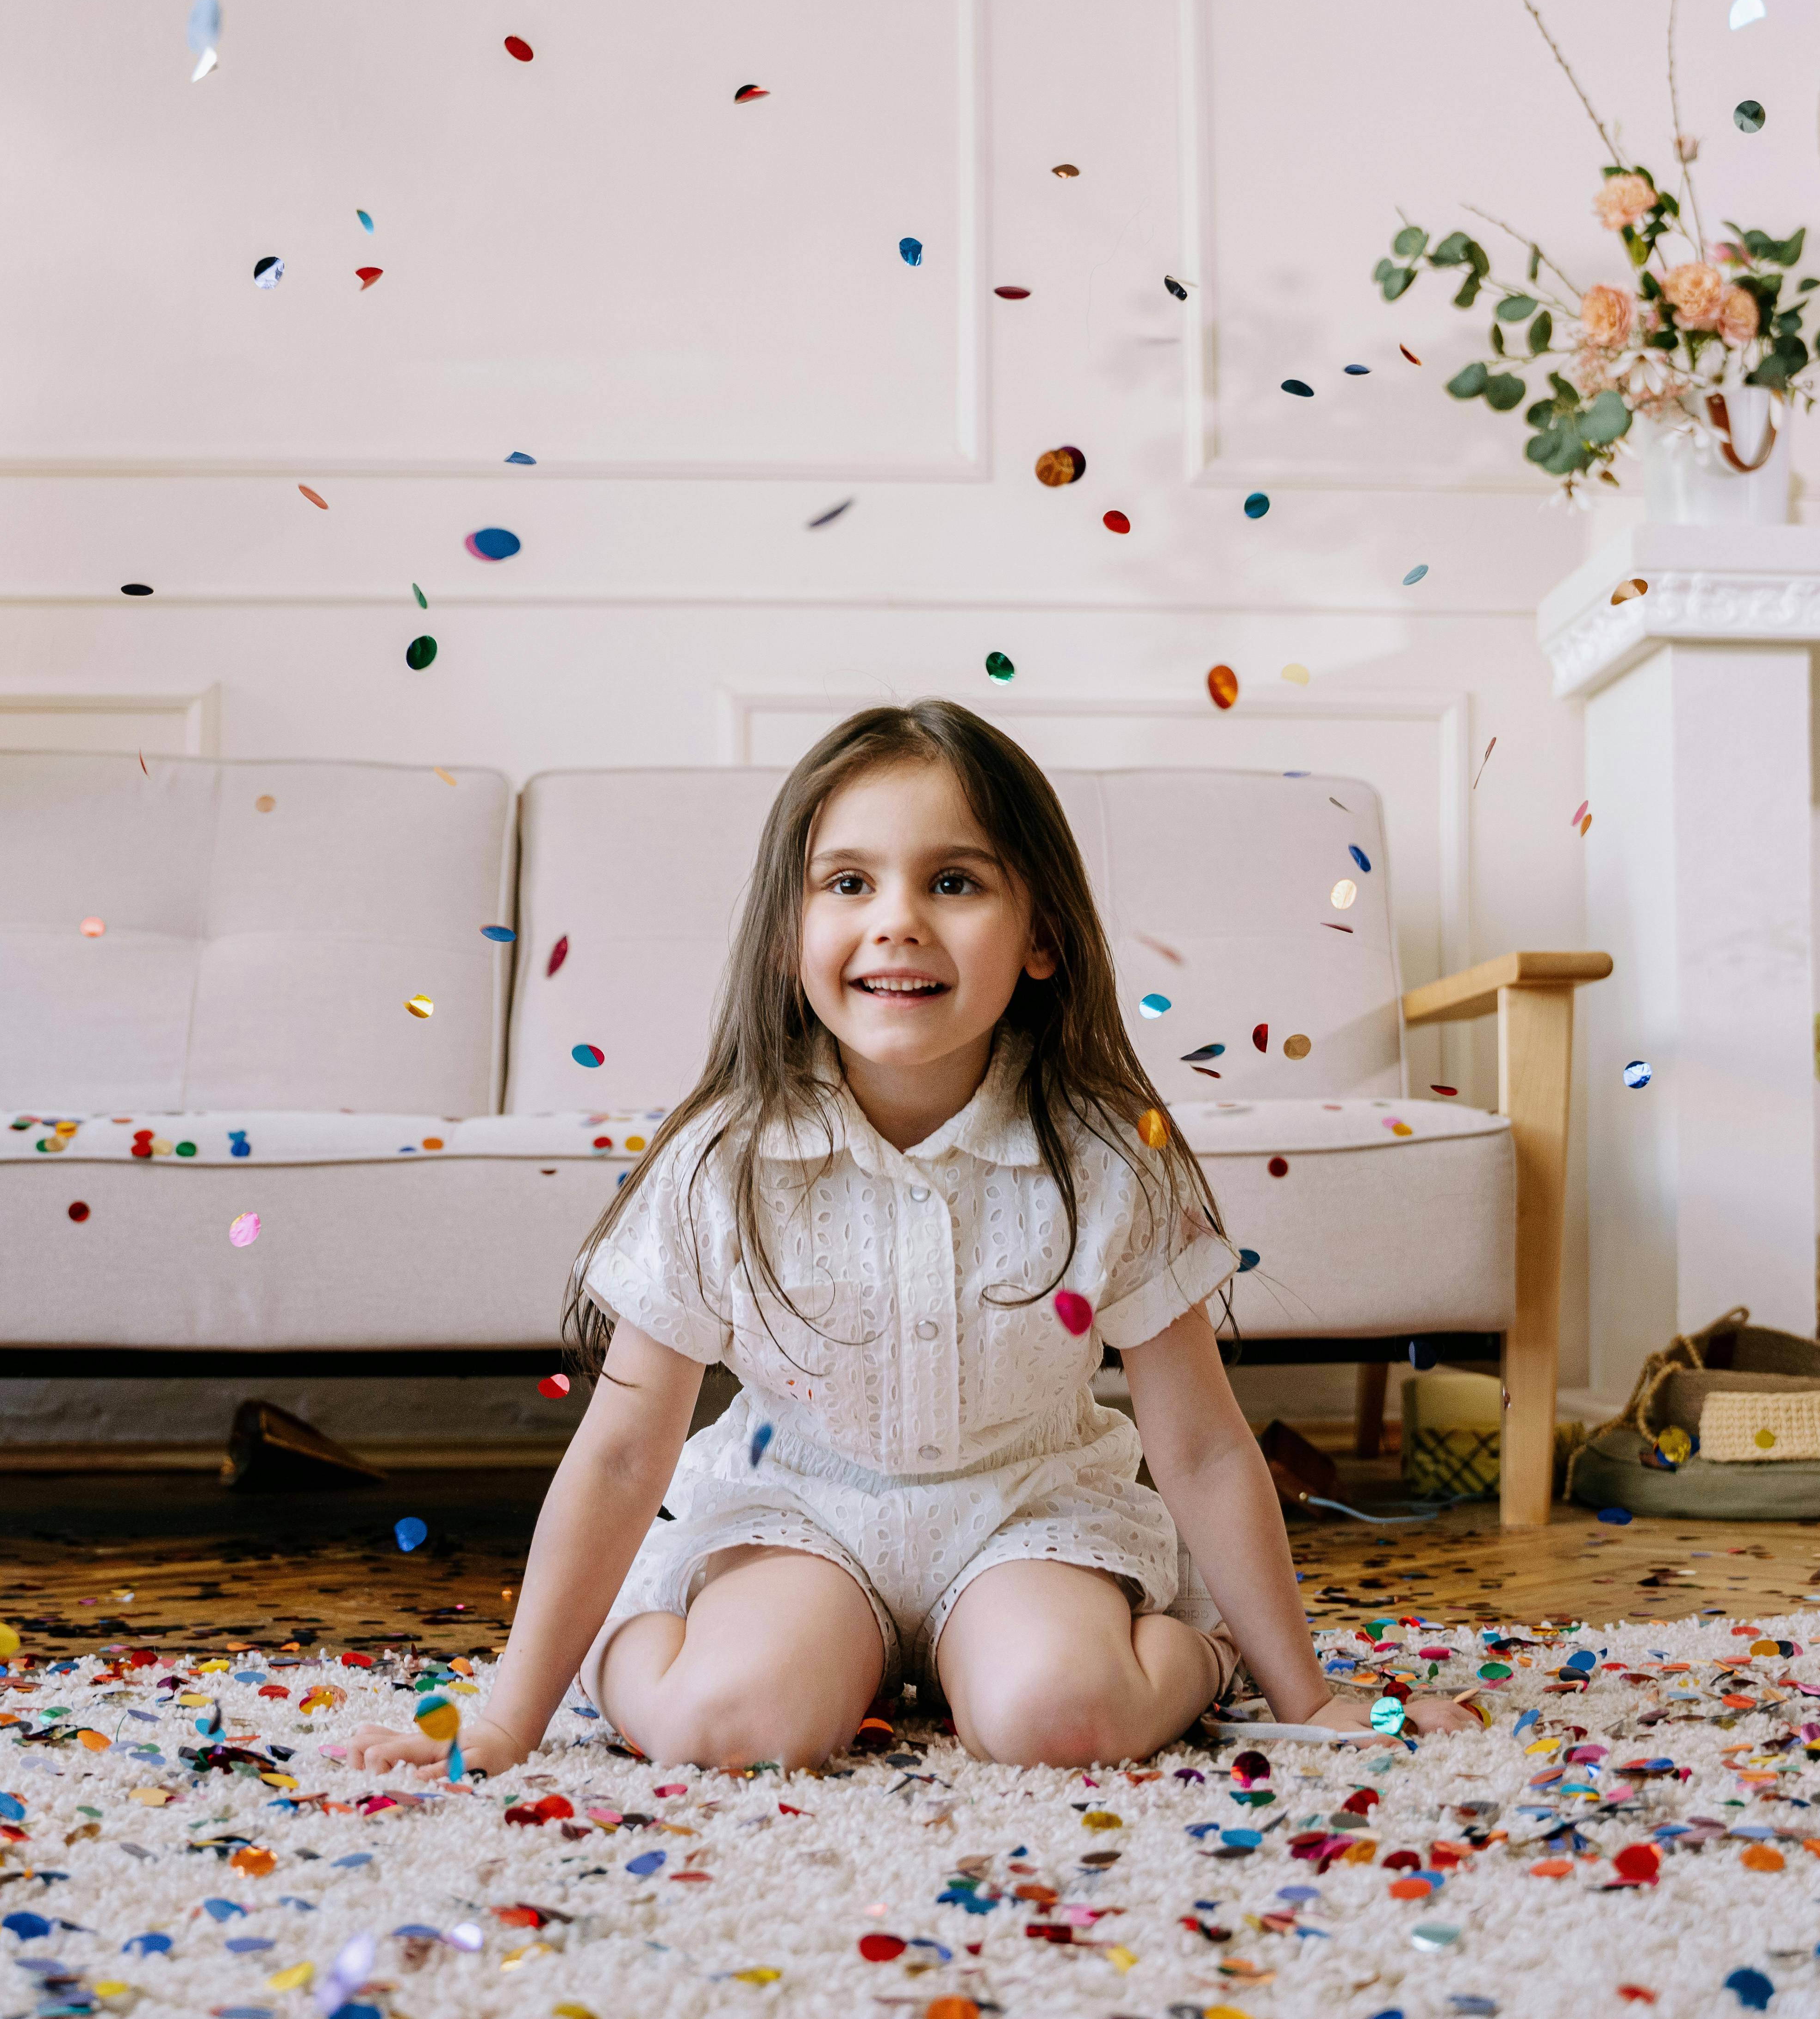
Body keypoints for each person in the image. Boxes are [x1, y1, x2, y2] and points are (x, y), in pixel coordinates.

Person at [332, 701, 1473, 1778]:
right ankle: (647, 1638)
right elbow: (626, 1452)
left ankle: (1198, 1649)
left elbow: (1207, 1449)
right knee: (724, 1723)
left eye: (954, 880)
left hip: (1031, 1517)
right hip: (798, 1519)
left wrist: (1307, 1696)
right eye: (847, 881)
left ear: (1040, 938)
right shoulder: (717, 1165)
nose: (898, 919)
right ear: (789, 936)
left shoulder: (1111, 1160)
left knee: (1058, 1717)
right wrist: (501, 1719)